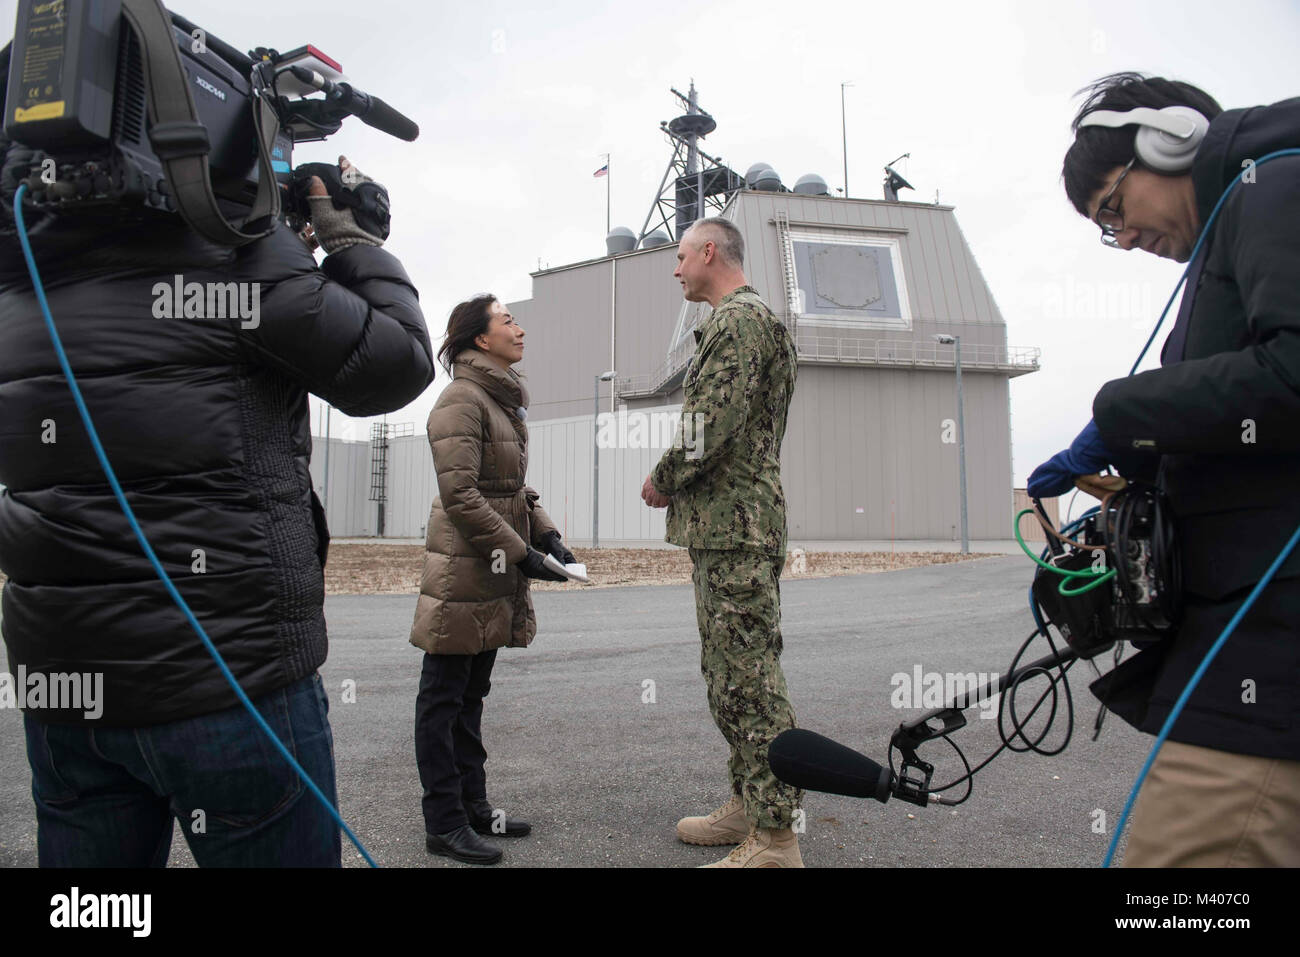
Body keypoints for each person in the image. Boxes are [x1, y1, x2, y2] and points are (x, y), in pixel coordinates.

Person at [0, 148, 435, 866]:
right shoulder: (230, 246)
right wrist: (349, 241)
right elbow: (393, 362)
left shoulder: (21, 267)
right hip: (230, 680)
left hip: (64, 689)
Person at [1031, 73, 1300, 866]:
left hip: (1270, 652)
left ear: (1168, 139)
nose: (1121, 238)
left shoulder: (1272, 189)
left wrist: (1124, 413)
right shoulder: (1237, 230)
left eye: (1113, 210)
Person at [643, 217, 804, 868]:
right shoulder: (750, 321)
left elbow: (709, 426)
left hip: (735, 525)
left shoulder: (739, 322)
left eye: (682, 256)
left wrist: (662, 478)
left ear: (710, 251)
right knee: (730, 671)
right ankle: (751, 800)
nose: (677, 269)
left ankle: (774, 836)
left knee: (748, 677)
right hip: (733, 524)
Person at [410, 294, 574, 865]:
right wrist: (521, 552)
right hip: (463, 570)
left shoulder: (498, 401)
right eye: (509, 321)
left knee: (471, 695)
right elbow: (460, 494)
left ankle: (475, 807)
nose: (520, 328)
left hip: (492, 564)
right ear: (481, 339)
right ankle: (444, 822)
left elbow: (513, 488)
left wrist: (546, 535)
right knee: (443, 697)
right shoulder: (461, 400)